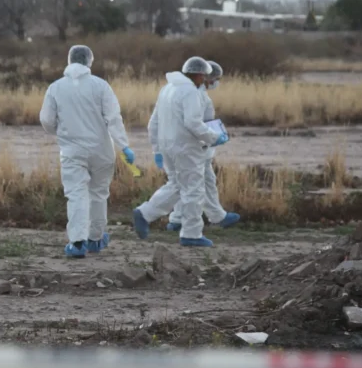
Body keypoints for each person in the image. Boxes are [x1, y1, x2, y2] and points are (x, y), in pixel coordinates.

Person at [40, 45, 135, 258]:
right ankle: (95, 238)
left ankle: (77, 242)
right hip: (102, 149)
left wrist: (60, 131)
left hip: (72, 149)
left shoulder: (55, 88)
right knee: (99, 193)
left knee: (76, 194)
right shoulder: (100, 86)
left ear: (69, 60)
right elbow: (113, 118)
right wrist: (124, 145)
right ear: (89, 62)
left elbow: (46, 120)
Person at [132, 57, 229, 247]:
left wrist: (157, 149)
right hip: (186, 148)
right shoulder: (190, 92)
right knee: (193, 189)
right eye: (205, 76)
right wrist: (214, 137)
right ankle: (191, 235)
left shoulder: (167, 89)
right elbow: (193, 123)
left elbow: (154, 123)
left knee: (176, 185)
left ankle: (145, 213)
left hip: (168, 146)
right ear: (200, 75)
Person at [165, 61, 240, 232]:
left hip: (184, 144)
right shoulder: (196, 95)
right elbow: (197, 123)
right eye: (215, 79)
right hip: (195, 146)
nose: (216, 82)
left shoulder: (181, 91)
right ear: (205, 77)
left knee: (183, 182)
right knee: (202, 183)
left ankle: (177, 219)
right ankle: (214, 218)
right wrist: (214, 137)